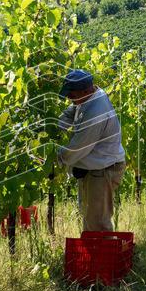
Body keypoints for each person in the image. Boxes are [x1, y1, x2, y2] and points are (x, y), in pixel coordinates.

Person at [56, 69, 127, 233]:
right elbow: (72, 111)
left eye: (72, 95)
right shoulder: (91, 95)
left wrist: (56, 156)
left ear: (86, 91)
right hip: (97, 168)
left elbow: (77, 148)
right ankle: (94, 256)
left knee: (98, 225)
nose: (69, 99)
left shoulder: (96, 112)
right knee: (91, 217)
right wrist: (55, 127)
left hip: (103, 171)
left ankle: (103, 257)